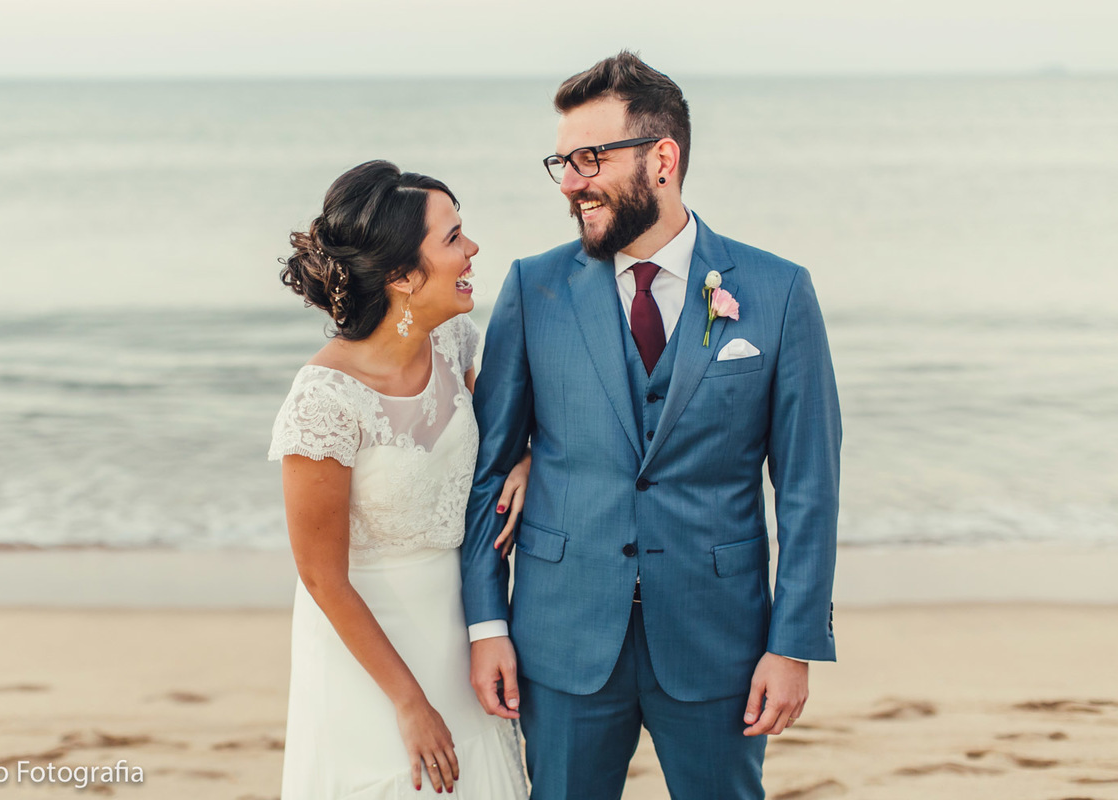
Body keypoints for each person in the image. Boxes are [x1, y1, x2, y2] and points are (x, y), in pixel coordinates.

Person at [462, 52, 841, 800]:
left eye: (589, 158)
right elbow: (486, 471)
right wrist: (486, 625)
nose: (570, 182)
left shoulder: (778, 291)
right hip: (560, 636)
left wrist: (792, 645)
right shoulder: (533, 288)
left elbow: (808, 488)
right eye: (561, 162)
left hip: (718, 638)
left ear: (662, 159)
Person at [268, 160, 529, 799]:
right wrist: (408, 703)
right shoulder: (323, 403)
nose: (472, 250)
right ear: (403, 276)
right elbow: (321, 575)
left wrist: (522, 461)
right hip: (368, 653)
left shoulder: (453, 343)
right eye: (453, 238)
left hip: (459, 622)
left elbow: (495, 444)